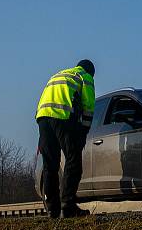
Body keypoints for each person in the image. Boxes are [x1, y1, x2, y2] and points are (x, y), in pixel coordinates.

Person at [35, 59, 96, 217]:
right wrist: (84, 131)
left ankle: (52, 210)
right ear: (90, 72)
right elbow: (88, 106)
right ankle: (68, 205)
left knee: (50, 165)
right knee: (73, 160)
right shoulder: (85, 77)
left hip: (42, 117)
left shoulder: (59, 74)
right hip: (62, 117)